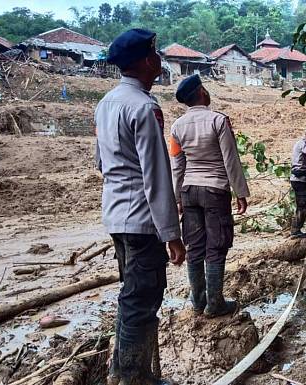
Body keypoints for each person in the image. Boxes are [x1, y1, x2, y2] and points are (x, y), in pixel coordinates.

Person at [95, 28, 185, 385]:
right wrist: (172, 234)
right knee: (142, 299)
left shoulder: (105, 104)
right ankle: (133, 378)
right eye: (157, 54)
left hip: (116, 216)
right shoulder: (145, 107)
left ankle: (125, 372)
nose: (160, 59)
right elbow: (157, 174)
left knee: (131, 296)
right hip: (142, 221)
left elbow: (101, 162)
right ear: (148, 61)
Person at [169, 75, 249, 318]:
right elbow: (230, 159)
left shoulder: (177, 127)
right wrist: (240, 192)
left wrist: (177, 199)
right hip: (215, 190)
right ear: (202, 92)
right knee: (216, 246)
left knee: (195, 247)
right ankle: (214, 303)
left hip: (190, 191)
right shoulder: (219, 121)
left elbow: (177, 165)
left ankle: (198, 301)